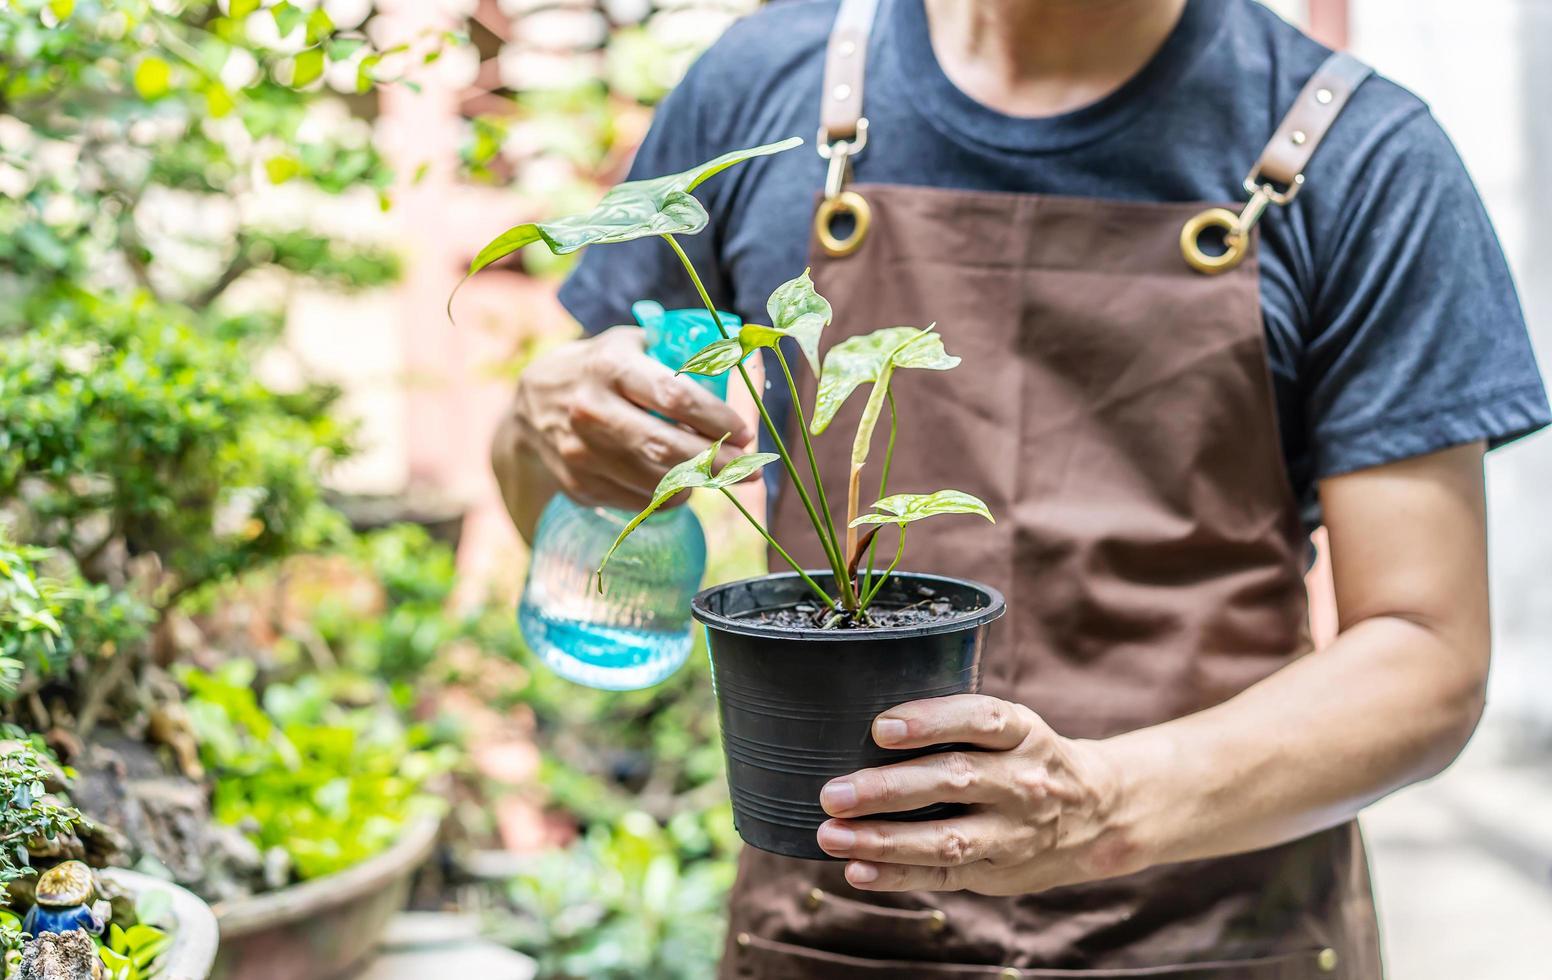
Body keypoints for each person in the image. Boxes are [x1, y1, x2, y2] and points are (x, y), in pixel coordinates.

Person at [491, 0, 1550, 975]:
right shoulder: (768, 91)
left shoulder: (1359, 153)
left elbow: (1426, 654)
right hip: (838, 931)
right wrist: (542, 426)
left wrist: (1097, 807)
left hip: (1215, 931)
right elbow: (559, 498)